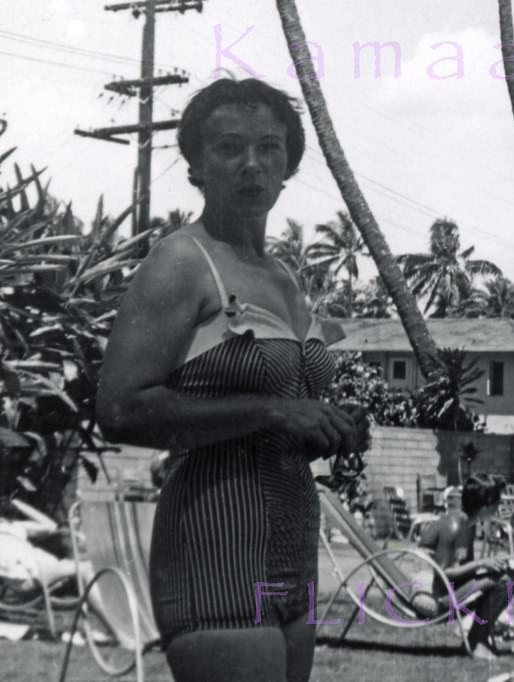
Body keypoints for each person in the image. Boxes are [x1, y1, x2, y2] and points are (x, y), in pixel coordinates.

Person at [96, 78, 370, 682]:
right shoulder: (180, 263)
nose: (253, 164)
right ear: (195, 164)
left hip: (292, 544)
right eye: (228, 147)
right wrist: (272, 411)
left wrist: (330, 423)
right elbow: (118, 408)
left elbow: (289, 402)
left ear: (288, 164)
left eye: (270, 148)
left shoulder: (286, 277)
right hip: (214, 541)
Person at [417, 474, 514, 659]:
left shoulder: (468, 524)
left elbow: (465, 568)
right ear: (486, 506)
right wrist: (482, 564)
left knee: (510, 575)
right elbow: (443, 572)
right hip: (436, 596)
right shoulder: (454, 525)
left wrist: (492, 566)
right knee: (507, 580)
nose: (498, 509)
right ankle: (476, 641)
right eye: (497, 504)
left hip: (450, 588)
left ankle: (479, 638)